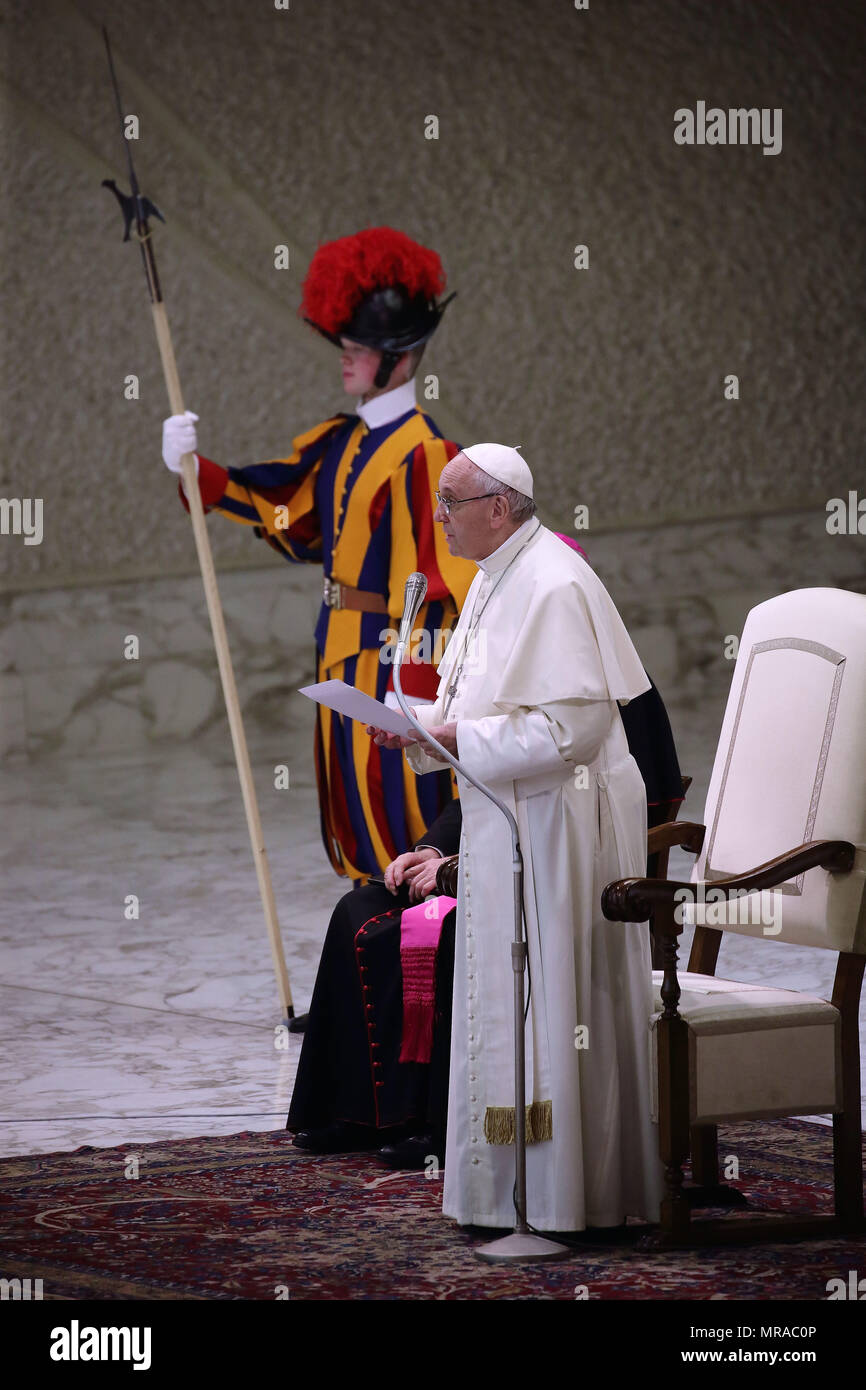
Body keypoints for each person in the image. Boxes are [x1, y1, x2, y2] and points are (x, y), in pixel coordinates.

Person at [369, 443, 665, 1232]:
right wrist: (424, 731)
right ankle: (504, 1193)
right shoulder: (494, 579)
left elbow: (571, 727)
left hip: (560, 826)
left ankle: (571, 1199)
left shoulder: (555, 582)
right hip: (510, 823)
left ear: (498, 508)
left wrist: (455, 739)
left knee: (553, 1004)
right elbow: (485, 706)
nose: (439, 519)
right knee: (506, 1003)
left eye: (451, 503)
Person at [160, 227, 475, 883]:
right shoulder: (345, 439)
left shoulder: (426, 452)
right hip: (340, 655)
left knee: (400, 817)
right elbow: (288, 510)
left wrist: (417, 694)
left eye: (361, 347)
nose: (347, 356)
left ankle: (416, 952)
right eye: (347, 343)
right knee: (355, 820)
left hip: (388, 663)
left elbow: (440, 587)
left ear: (400, 356)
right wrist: (195, 469)